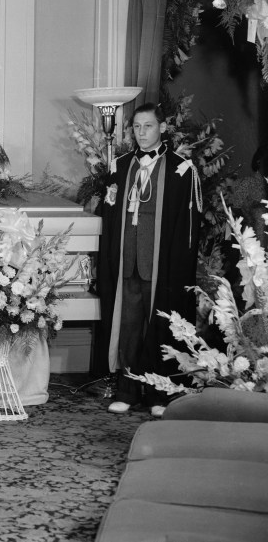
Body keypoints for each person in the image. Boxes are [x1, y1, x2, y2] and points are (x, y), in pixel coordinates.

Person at [94, 102, 201, 417]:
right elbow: (111, 218)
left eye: (148, 126)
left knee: (158, 328)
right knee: (127, 328)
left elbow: (188, 228)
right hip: (128, 264)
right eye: (137, 127)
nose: (141, 133)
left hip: (160, 266)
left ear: (162, 128)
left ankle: (158, 393)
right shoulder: (120, 165)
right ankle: (126, 391)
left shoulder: (182, 169)